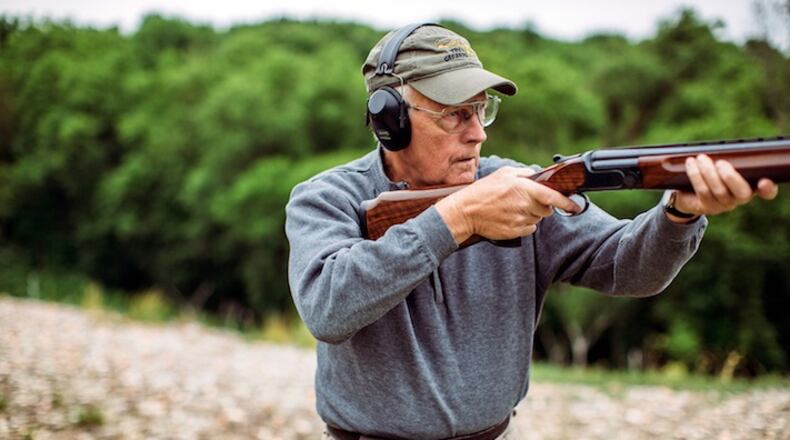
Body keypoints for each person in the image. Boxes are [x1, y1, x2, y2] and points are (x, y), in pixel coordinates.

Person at [284, 23, 778, 440]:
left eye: (481, 110)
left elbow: (629, 268)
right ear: (389, 120)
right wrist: (458, 220)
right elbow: (328, 308)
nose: (477, 132)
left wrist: (679, 213)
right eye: (455, 114)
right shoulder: (325, 198)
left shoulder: (516, 185)